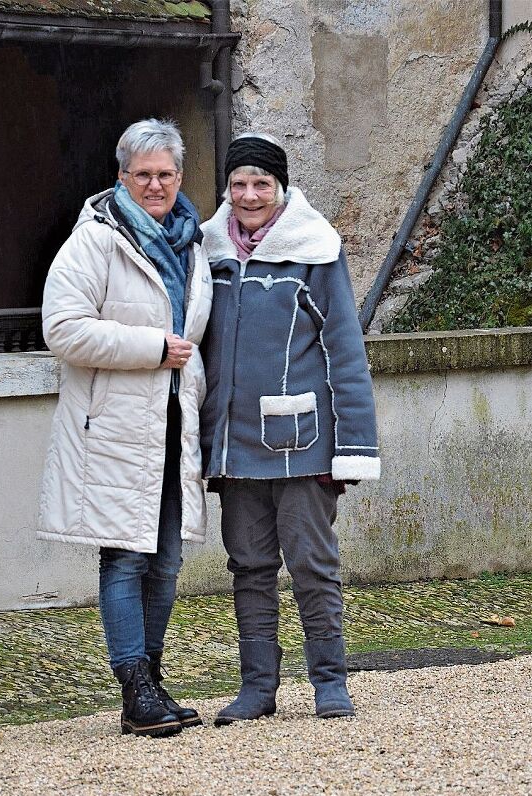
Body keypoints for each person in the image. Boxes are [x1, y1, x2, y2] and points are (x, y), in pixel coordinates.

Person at [37, 119, 212, 738]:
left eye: (166, 174)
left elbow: (196, 343)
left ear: (180, 177)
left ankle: (152, 683)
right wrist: (150, 348)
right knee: (125, 557)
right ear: (121, 176)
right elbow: (61, 329)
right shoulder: (94, 241)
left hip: (170, 427)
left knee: (165, 561)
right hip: (111, 428)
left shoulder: (192, 243)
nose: (155, 185)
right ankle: (135, 687)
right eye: (143, 174)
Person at [200, 133, 380, 725]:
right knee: (248, 568)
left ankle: (330, 682)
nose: (250, 195)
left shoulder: (315, 251)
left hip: (303, 445)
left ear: (281, 189)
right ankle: (258, 688)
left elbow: (344, 353)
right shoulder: (208, 254)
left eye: (262, 184)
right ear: (227, 189)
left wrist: (351, 448)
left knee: (312, 564)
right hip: (235, 446)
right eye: (239, 184)